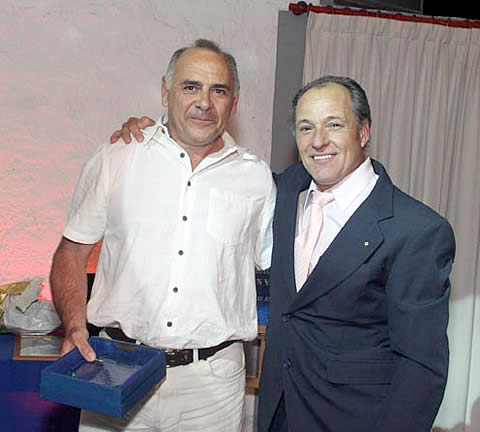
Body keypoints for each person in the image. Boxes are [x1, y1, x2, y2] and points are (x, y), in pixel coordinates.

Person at [113, 75, 456, 432]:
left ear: (363, 132)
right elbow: (214, 179)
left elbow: (421, 367)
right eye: (306, 128)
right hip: (278, 411)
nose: (318, 140)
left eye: (334, 125)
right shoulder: (285, 190)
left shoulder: (416, 230)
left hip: (355, 419)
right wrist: (162, 137)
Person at [49, 39, 276, 432]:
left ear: (234, 103)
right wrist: (73, 326)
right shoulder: (118, 157)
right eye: (191, 86)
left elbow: (282, 269)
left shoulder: (257, 179)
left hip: (211, 387)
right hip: (116, 367)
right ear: (165, 92)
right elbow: (71, 252)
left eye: (218, 90)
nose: (204, 102)